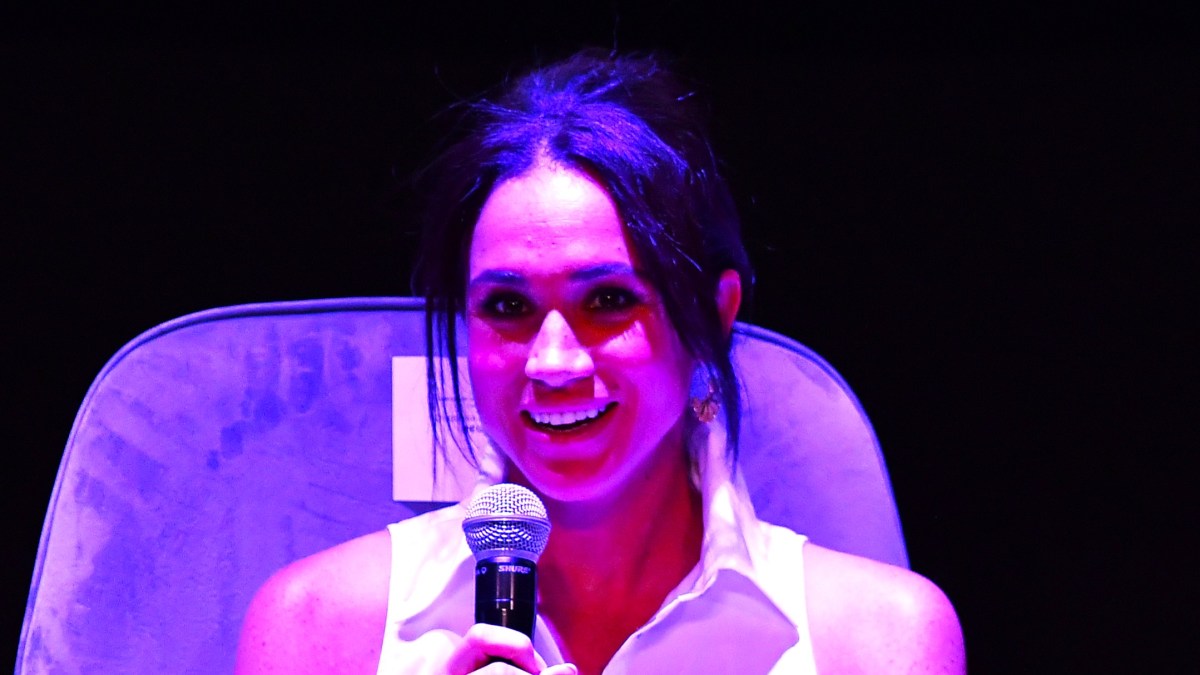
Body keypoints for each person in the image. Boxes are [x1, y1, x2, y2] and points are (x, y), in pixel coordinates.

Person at [234, 50, 965, 674]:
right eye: (508, 308)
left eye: (610, 299)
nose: (552, 361)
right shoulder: (316, 630)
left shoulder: (878, 641)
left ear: (716, 312)